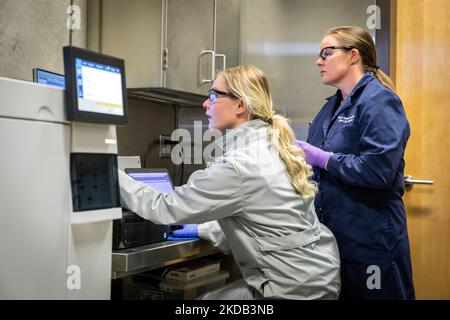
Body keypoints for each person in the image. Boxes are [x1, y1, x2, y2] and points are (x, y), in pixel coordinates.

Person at [119, 65, 341, 299]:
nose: (206, 104)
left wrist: (111, 175)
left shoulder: (240, 163)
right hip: (313, 275)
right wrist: (200, 228)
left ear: (241, 105)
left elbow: (165, 208)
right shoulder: (271, 146)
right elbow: (263, 218)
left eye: (214, 96)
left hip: (292, 288)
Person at [296, 26, 415, 299]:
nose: (319, 61)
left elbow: (377, 171)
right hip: (335, 240)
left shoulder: (380, 100)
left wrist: (323, 158)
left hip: (371, 240)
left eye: (327, 53)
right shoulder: (331, 106)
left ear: (352, 56)